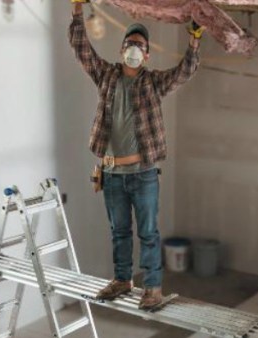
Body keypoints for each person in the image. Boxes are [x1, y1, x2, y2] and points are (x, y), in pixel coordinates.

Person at [69, 0, 203, 309]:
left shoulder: (154, 83)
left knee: (148, 233)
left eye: (140, 45)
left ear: (147, 54)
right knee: (119, 232)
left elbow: (185, 71)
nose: (134, 49)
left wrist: (194, 40)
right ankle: (122, 280)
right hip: (113, 174)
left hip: (143, 175)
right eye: (129, 43)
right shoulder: (107, 76)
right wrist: (77, 11)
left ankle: (152, 288)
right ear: (121, 50)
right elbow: (81, 49)